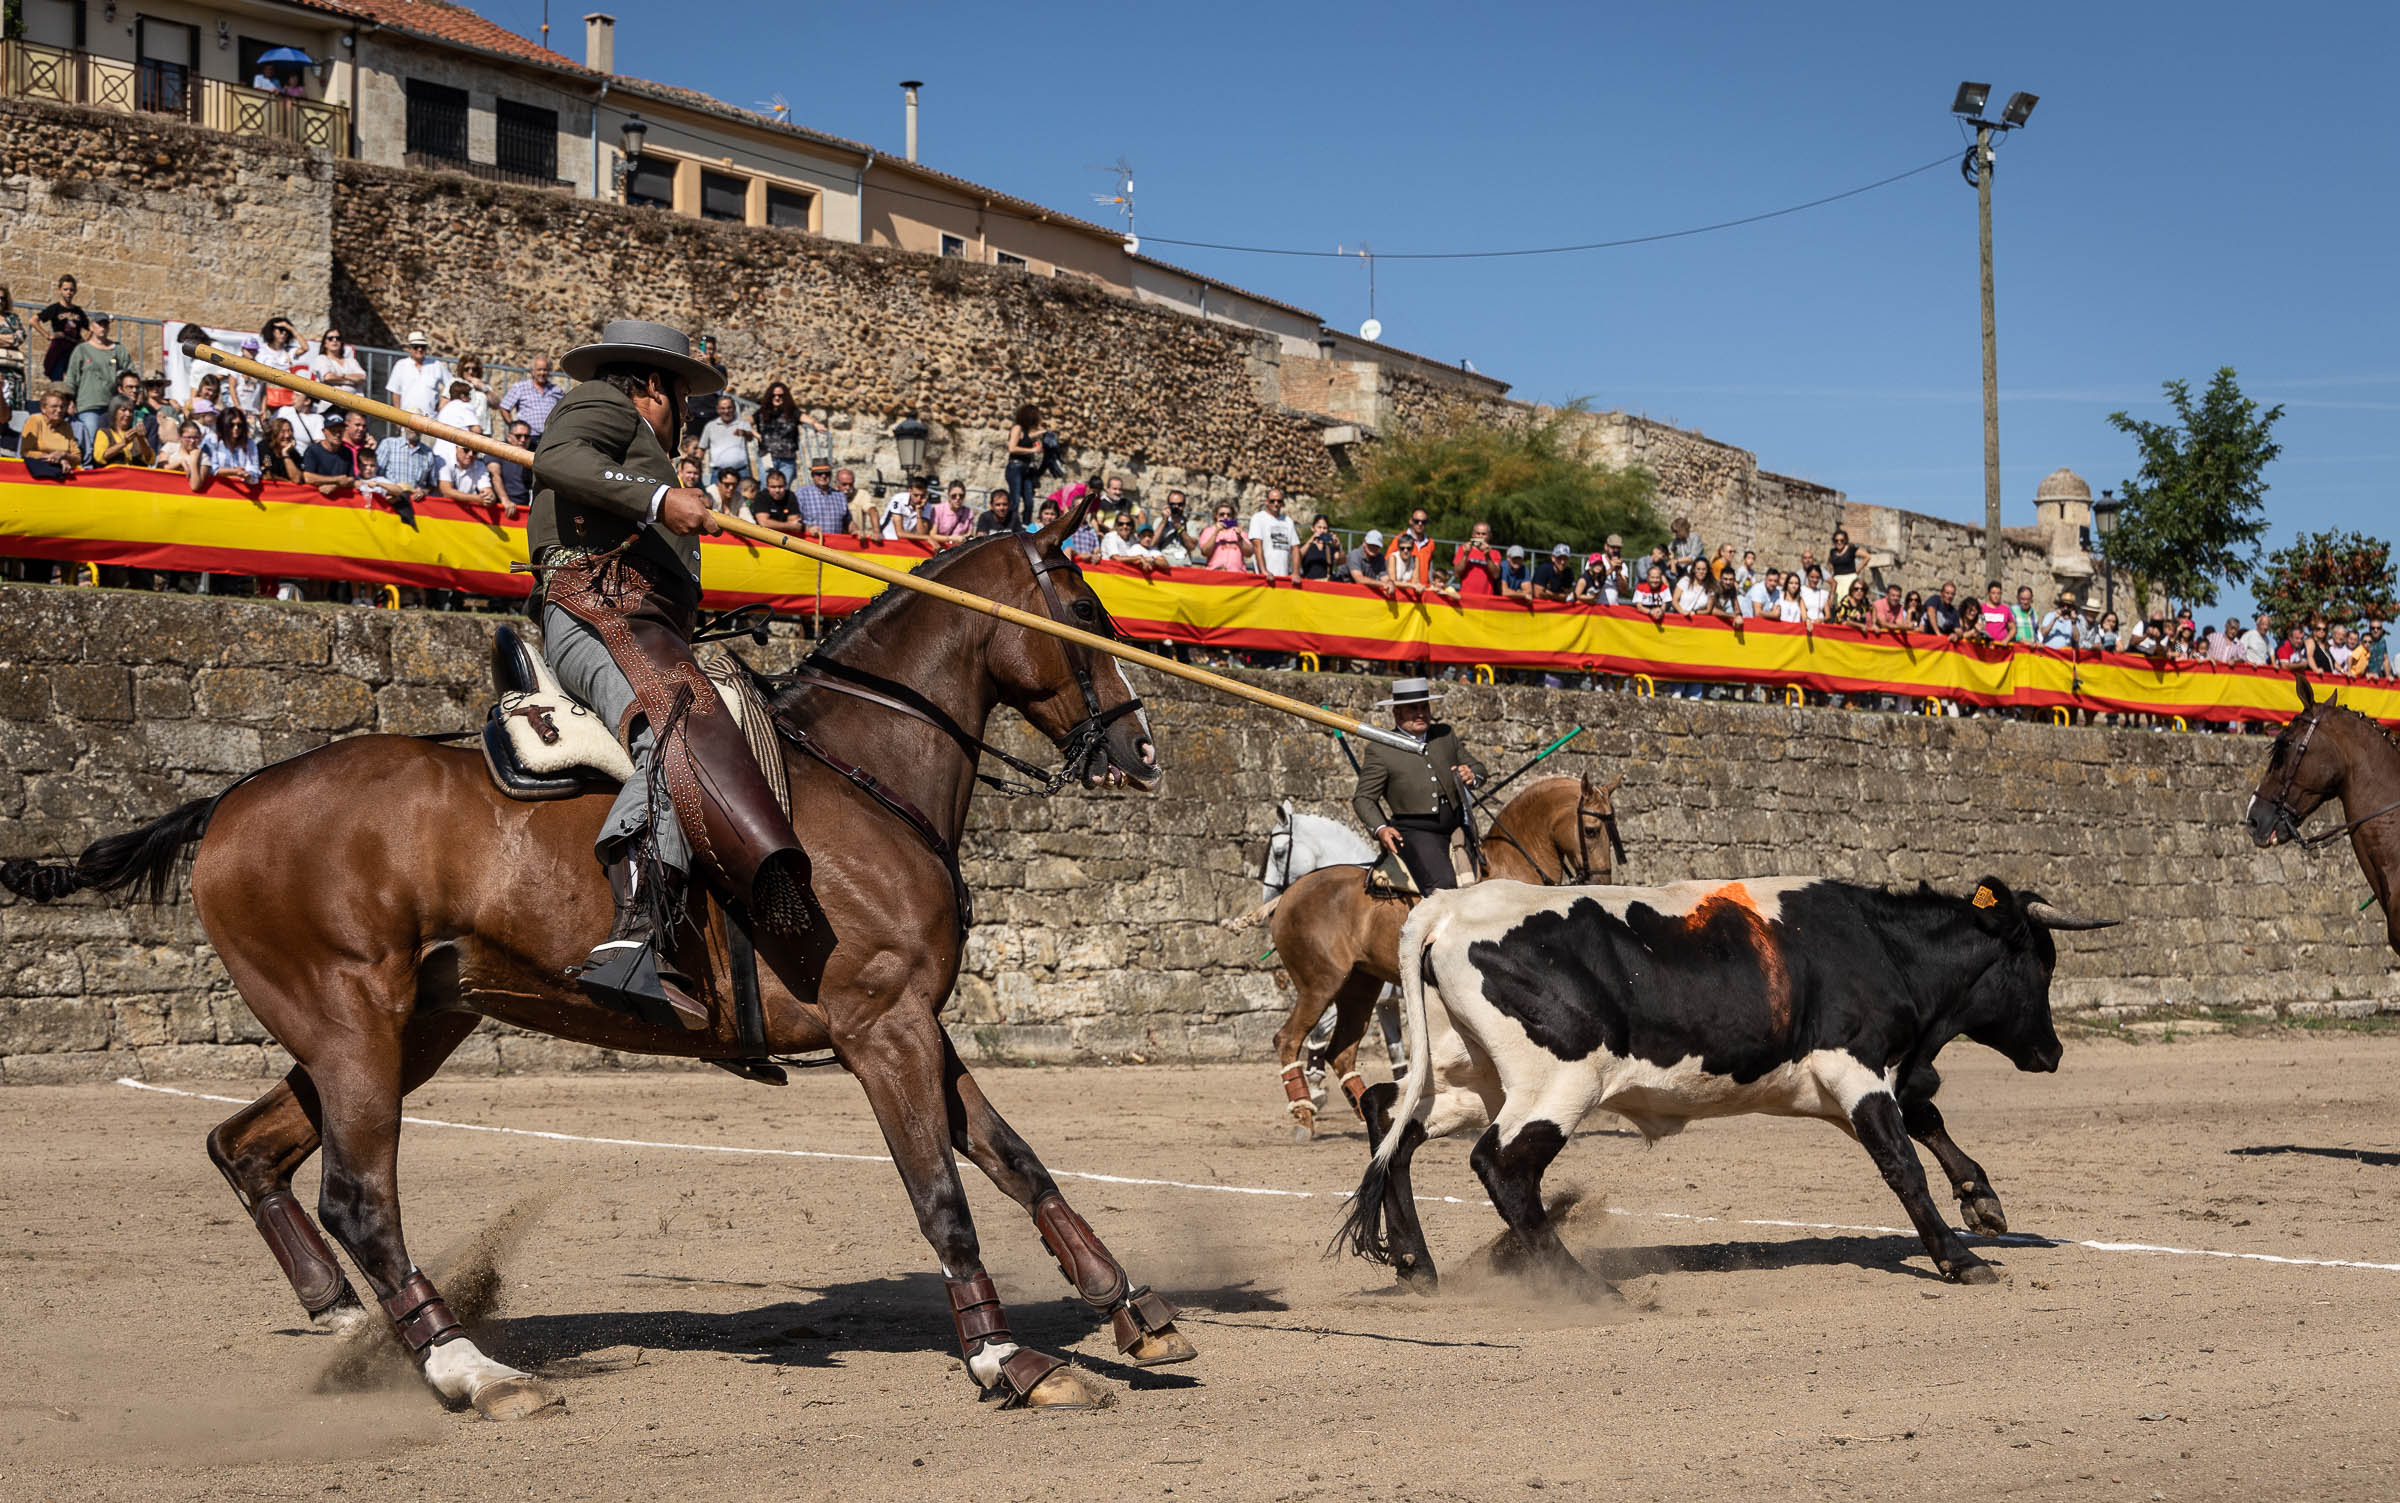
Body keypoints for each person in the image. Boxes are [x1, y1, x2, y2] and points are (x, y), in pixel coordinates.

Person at [532, 318, 807, 1027]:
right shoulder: (605, 401)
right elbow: (557, 456)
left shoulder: (643, 441)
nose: (682, 419)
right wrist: (660, 498)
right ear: (656, 388)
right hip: (599, 605)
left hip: (640, 617)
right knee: (677, 720)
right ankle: (633, 933)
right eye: (680, 398)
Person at [1351, 678, 1486, 895]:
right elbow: (1363, 798)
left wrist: (1473, 776)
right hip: (1416, 832)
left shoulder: (1444, 735)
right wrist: (1381, 828)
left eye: (1424, 707)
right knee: (1444, 888)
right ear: (1397, 713)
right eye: (1412, 709)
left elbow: (1478, 768)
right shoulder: (1381, 749)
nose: (1420, 713)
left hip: (1458, 825)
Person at [63, 311, 133, 459]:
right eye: (99, 324)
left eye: (105, 324)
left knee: (111, 443)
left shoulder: (118, 350)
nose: (102, 327)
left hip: (113, 407)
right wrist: (69, 401)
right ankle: (89, 471)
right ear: (91, 326)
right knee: (90, 441)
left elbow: (129, 375)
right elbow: (71, 378)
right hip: (88, 405)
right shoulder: (82, 350)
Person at [751, 381, 818, 484]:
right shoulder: (762, 412)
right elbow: (743, 424)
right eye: (774, 395)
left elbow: (806, 418)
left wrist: (815, 424)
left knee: (784, 490)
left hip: (787, 459)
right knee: (766, 488)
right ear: (769, 396)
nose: (777, 398)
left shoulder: (792, 412)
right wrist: (755, 434)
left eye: (780, 395)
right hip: (767, 457)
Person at [384, 331, 450, 419]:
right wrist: (398, 417)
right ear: (409, 348)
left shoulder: (436, 365)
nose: (420, 349)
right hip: (407, 418)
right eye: (416, 347)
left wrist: (443, 403)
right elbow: (396, 393)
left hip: (430, 419)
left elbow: (451, 384)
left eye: (422, 347)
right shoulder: (401, 365)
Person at [501, 355, 566, 441]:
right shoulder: (520, 388)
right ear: (532, 371)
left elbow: (566, 410)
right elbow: (504, 408)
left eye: (545, 370)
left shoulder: (556, 390)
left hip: (550, 437)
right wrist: (513, 426)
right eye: (539, 369)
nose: (542, 373)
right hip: (528, 438)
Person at [20, 387, 82, 477]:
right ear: (43, 408)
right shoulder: (35, 420)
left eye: (62, 407)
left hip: (61, 473)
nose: (59, 410)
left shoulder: (66, 426)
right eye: (54, 406)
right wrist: (57, 460)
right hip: (36, 473)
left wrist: (64, 455)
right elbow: (26, 452)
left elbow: (77, 458)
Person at [37, 275, 86, 383]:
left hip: (74, 350)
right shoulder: (55, 308)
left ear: (75, 291)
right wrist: (48, 335)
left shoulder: (78, 311)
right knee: (57, 380)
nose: (69, 292)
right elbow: (33, 320)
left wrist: (83, 341)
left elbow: (90, 327)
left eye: (71, 290)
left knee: (74, 380)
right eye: (65, 289)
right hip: (59, 348)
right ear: (59, 290)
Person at [698, 394, 755, 485]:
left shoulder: (743, 423)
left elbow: (750, 437)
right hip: (718, 474)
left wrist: (744, 433)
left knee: (745, 499)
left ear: (734, 408)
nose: (726, 411)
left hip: (741, 472)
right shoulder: (710, 426)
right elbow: (701, 448)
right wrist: (696, 465)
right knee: (716, 499)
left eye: (729, 408)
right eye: (723, 408)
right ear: (718, 409)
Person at [1247, 487, 1299, 579]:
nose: (1276, 504)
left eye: (1279, 501)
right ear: (1267, 501)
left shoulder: (1288, 521)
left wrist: (1295, 572)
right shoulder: (1258, 518)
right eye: (1272, 501)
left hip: (1284, 576)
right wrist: (1264, 571)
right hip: (1265, 577)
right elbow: (1256, 545)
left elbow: (1295, 548)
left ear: (1282, 503)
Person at [789, 458, 848, 535]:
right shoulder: (800, 495)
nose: (823, 476)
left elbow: (848, 521)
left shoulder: (840, 496)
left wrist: (855, 530)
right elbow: (794, 522)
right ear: (812, 475)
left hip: (834, 545)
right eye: (819, 473)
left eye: (827, 473)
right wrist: (808, 528)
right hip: (810, 543)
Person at [90, 398, 154, 467]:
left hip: (135, 476)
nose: (128, 414)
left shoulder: (137, 434)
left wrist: (141, 439)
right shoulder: (104, 433)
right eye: (123, 410)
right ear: (114, 412)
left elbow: (150, 460)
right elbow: (100, 457)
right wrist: (124, 443)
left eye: (131, 411)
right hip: (114, 476)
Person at [1004, 402, 1043, 514]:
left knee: (1029, 502)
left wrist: (1044, 433)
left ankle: (1026, 528)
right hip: (1015, 467)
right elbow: (1012, 448)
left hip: (1026, 469)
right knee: (1015, 500)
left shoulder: (1025, 431)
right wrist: (1032, 450)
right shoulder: (1017, 428)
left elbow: (1029, 437)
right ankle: (1011, 527)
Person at [1196, 504, 1255, 572]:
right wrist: (1216, 532)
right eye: (1222, 514)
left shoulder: (1240, 532)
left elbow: (1249, 553)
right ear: (1216, 515)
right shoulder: (1208, 531)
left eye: (1228, 514)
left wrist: (1239, 537)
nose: (1225, 517)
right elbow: (1205, 552)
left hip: (1237, 574)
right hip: (1215, 573)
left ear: (1232, 516)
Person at [1453, 521, 1503, 598]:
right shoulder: (1463, 549)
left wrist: (1487, 555)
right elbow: (1456, 573)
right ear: (1473, 535)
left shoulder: (1495, 553)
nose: (1480, 536)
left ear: (1489, 536)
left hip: (1486, 597)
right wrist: (1466, 554)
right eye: (1478, 533)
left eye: (1484, 534)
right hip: (1465, 595)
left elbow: (1496, 575)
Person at [1388, 510, 1437, 588]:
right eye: (1417, 521)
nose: (1420, 524)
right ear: (1411, 521)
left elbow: (1429, 568)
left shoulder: (1431, 543)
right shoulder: (1399, 538)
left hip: (1423, 588)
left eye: (1423, 522)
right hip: (1404, 588)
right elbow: (1387, 561)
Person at [884, 475, 933, 540]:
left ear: (926, 493)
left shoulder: (927, 506)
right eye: (916, 495)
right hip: (887, 539)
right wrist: (927, 537)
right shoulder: (898, 499)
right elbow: (900, 534)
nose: (919, 499)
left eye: (922, 495)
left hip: (907, 542)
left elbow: (922, 534)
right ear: (910, 491)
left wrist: (919, 511)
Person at [1298, 515, 1343, 582]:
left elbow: (1341, 562)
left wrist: (1339, 546)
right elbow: (1297, 556)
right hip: (1308, 584)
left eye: (1325, 528)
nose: (1322, 530)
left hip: (1325, 585)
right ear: (1312, 528)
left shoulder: (1330, 547)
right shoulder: (1305, 546)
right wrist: (1311, 540)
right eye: (1319, 527)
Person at [1348, 529, 1393, 596]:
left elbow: (1385, 578)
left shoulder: (1380, 558)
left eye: (1377, 546)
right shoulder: (1355, 554)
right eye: (1371, 545)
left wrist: (1390, 583)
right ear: (1364, 543)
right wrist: (1383, 584)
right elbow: (1359, 579)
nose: (1374, 548)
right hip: (1344, 591)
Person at [929, 479, 975, 545]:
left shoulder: (969, 512)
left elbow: (970, 534)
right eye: (954, 496)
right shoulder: (937, 509)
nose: (957, 498)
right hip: (942, 549)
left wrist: (962, 538)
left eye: (961, 496)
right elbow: (933, 535)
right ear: (948, 495)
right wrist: (951, 538)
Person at [1827, 527, 1861, 597]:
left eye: (1841, 540)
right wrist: (1833, 571)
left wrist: (1858, 570)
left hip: (1850, 578)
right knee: (1837, 601)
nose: (1839, 542)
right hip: (1837, 579)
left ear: (1845, 540)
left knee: (1849, 600)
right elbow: (1830, 561)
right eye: (1836, 540)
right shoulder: (1832, 551)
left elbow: (1867, 557)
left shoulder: (1851, 549)